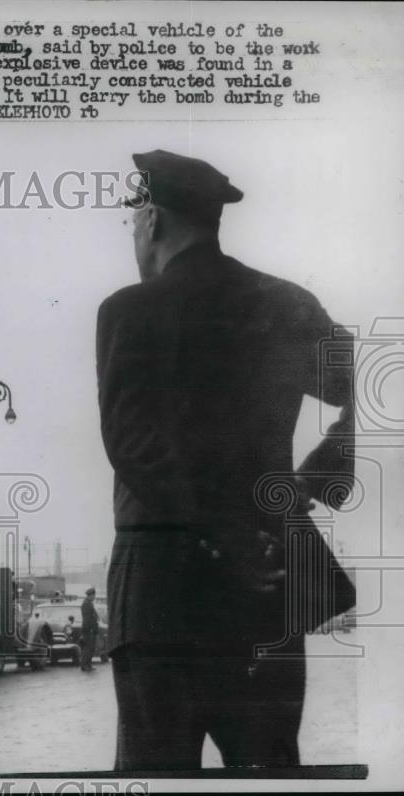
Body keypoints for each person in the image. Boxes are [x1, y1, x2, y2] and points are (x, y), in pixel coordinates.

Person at [96, 149, 356, 770]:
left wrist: (223, 534)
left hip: (160, 590)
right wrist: (320, 473)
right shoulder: (285, 304)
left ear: (153, 219)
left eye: (133, 220)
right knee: (269, 773)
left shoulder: (128, 312)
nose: (133, 233)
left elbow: (132, 446)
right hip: (266, 587)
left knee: (154, 776)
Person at [79, 587, 99, 671]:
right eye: (93, 595)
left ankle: (88, 664)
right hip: (89, 630)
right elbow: (87, 619)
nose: (94, 597)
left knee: (91, 648)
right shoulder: (86, 604)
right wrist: (89, 629)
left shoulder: (89, 603)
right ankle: (85, 665)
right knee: (88, 648)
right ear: (90, 595)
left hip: (91, 629)